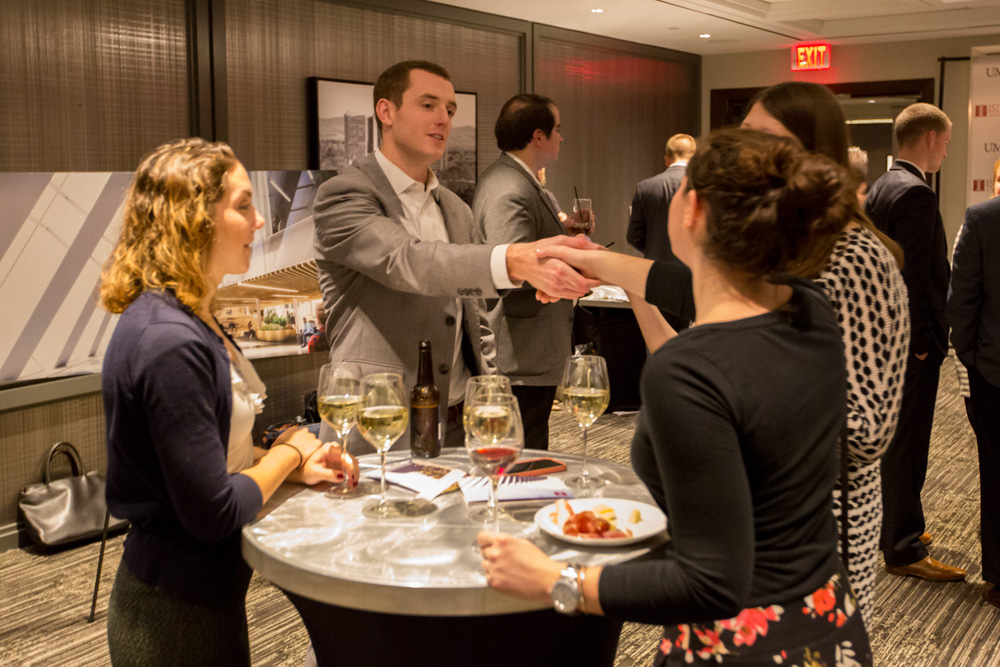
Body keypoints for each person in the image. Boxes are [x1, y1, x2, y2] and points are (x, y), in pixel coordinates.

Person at [480, 128, 872, 665]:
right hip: (828, 623)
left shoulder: (688, 371)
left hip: (740, 648)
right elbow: (689, 287)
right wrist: (594, 263)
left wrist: (555, 579)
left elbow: (711, 583)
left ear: (693, 212)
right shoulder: (809, 309)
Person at [537, 82, 910, 628]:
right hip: (755, 523)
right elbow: (702, 293)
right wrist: (595, 264)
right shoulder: (788, 263)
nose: (747, 154)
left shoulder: (850, 254)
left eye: (761, 140)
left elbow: (866, 429)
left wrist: (727, 426)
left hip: (813, 520)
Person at [99, 138, 354, 664]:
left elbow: (207, 454)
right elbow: (213, 512)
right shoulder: (168, 341)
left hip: (205, 595)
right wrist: (291, 450)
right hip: (173, 614)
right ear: (193, 221)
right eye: (243, 206)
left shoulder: (191, 315)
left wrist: (293, 468)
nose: (259, 221)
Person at [312, 60, 600, 452]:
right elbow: (408, 261)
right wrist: (515, 261)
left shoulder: (454, 207)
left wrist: (491, 390)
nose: (444, 119)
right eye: (428, 105)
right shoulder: (344, 195)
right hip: (380, 418)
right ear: (386, 111)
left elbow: (476, 318)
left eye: (450, 109)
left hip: (461, 422)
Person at [865, 102, 967, 582]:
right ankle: (903, 545)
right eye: (945, 142)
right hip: (909, 342)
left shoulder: (881, 186)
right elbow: (916, 278)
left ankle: (895, 527)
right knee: (907, 442)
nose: (946, 151)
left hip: (883, 337)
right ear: (929, 137)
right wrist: (924, 341)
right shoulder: (916, 193)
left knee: (895, 441)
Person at [472, 94, 589, 450]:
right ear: (538, 136)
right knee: (522, 456)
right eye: (558, 130)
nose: (561, 138)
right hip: (519, 354)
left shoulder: (517, 180)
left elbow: (521, 247)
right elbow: (509, 267)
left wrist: (563, 235)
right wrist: (570, 267)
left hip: (527, 351)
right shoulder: (511, 189)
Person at [947, 192, 1000, 611]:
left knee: (996, 477)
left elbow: (961, 301)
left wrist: (971, 359)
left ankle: (998, 577)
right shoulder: (982, 219)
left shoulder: (982, 218)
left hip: (992, 374)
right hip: (991, 372)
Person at [626, 133, 696, 331]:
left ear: (667, 159)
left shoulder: (646, 187)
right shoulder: (703, 187)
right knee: (689, 342)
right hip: (693, 278)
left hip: (656, 277)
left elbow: (634, 236)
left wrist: (655, 249)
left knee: (656, 338)